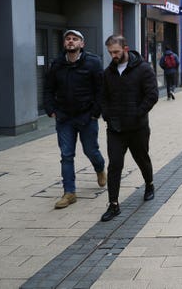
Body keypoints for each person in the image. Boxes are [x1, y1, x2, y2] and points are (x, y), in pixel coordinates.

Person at [44, 30, 106, 209]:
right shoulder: (57, 64)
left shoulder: (93, 62)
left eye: (75, 39)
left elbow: (101, 89)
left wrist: (96, 112)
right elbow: (48, 88)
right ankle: (69, 192)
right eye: (68, 39)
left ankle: (100, 168)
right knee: (66, 155)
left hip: (87, 116)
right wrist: (50, 110)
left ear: (82, 44)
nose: (71, 41)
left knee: (90, 150)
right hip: (64, 117)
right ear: (64, 44)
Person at [100, 35, 159, 222]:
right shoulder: (108, 73)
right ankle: (113, 205)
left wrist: (137, 113)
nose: (113, 56)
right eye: (110, 53)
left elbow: (152, 95)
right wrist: (107, 114)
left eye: (116, 52)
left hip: (137, 128)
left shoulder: (143, 69)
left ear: (126, 48)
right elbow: (103, 97)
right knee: (115, 165)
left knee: (142, 159)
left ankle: (149, 184)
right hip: (115, 128)